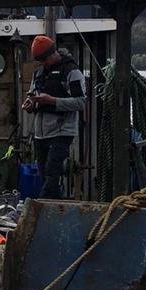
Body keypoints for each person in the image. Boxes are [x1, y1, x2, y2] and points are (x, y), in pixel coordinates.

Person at [24, 34, 84, 198]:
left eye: (44, 60)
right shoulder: (39, 73)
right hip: (40, 133)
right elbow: (32, 95)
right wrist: (30, 104)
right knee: (44, 174)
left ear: (52, 54)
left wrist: (53, 101)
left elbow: (81, 102)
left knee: (52, 171)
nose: (43, 64)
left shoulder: (72, 71)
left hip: (62, 131)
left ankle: (39, 206)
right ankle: (57, 206)